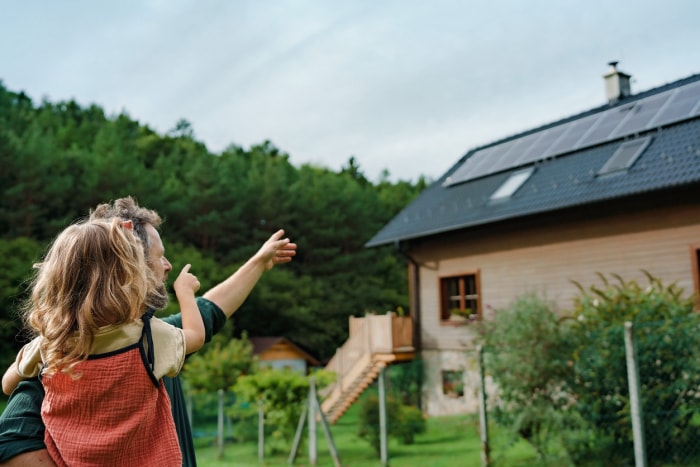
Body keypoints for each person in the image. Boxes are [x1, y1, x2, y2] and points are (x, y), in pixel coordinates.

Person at [0, 196, 297, 466]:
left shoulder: (55, 349)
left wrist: (258, 262)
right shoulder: (149, 342)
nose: (168, 266)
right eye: (160, 256)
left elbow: (211, 311)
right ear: (131, 266)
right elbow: (10, 443)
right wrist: (186, 293)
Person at [2, 218, 206, 466]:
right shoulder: (147, 337)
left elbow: (7, 384)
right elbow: (195, 336)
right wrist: (185, 293)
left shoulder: (52, 344)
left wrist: (25, 367)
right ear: (129, 275)